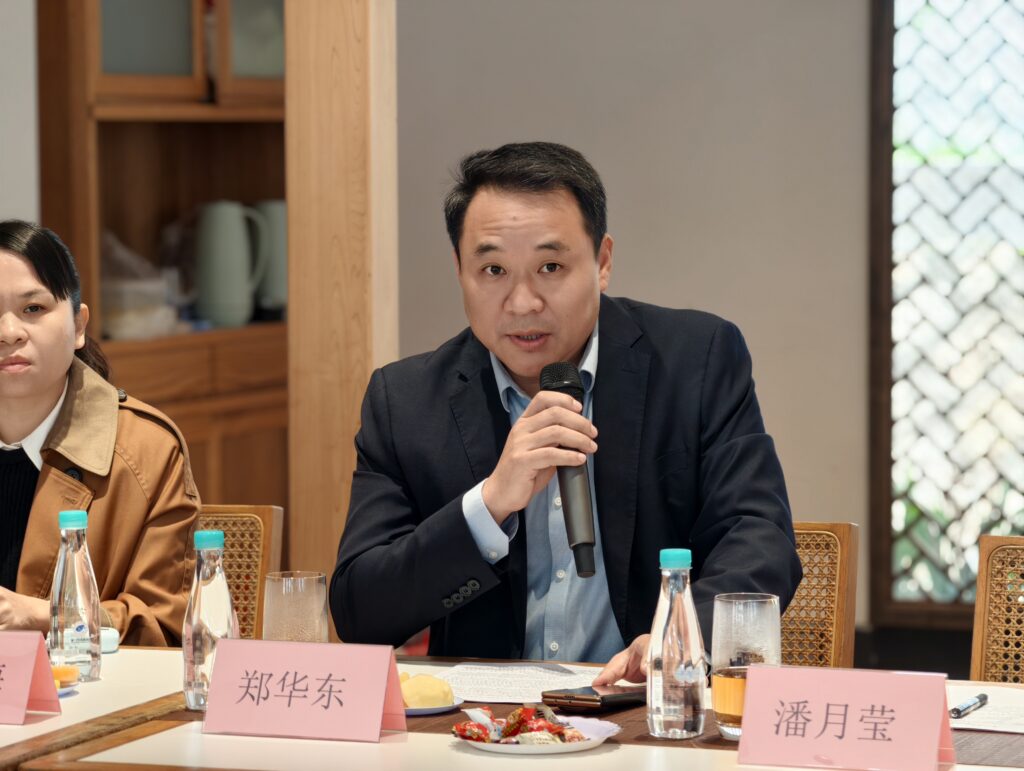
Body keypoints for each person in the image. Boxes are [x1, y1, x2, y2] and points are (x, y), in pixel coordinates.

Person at [329, 142, 802, 681]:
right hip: (483, 720)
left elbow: (759, 538)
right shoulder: (406, 400)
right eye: (493, 270)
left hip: (644, 704)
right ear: (459, 269)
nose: (523, 302)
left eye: (550, 266)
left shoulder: (696, 360)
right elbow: (360, 611)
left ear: (602, 262)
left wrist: (680, 635)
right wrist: (489, 504)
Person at [0, 220, 198, 646]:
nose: (9, 333)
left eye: (33, 309)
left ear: (78, 326)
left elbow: (167, 629)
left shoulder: (145, 451)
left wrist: (43, 616)